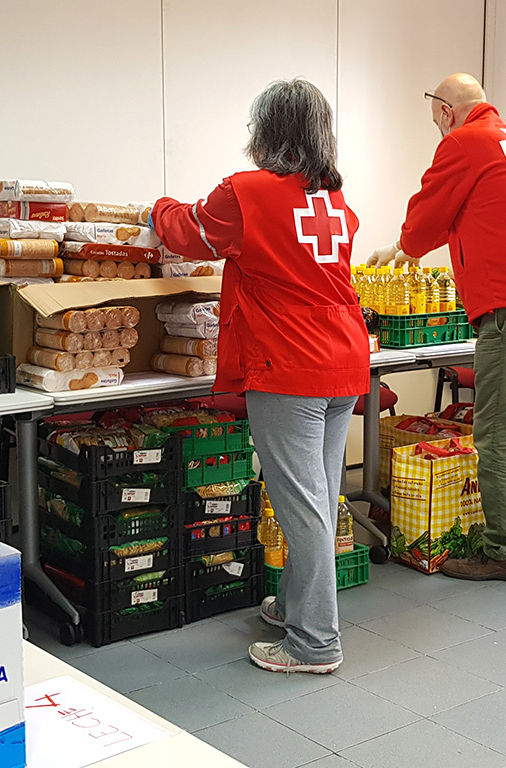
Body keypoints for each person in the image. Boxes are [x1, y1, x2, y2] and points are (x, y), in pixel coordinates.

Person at [149, 78, 369, 672]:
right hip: (342, 360)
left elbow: (188, 232)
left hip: (288, 363)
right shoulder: (335, 202)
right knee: (318, 495)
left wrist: (157, 206)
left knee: (301, 505)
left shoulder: (247, 193)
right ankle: (295, 606)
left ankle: (315, 642)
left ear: (265, 132)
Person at [369, 74, 506, 582]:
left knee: (498, 435)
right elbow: (482, 214)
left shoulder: (462, 143)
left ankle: (505, 552)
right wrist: (404, 250)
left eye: (435, 123)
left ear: (445, 112)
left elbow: (425, 220)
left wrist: (405, 244)